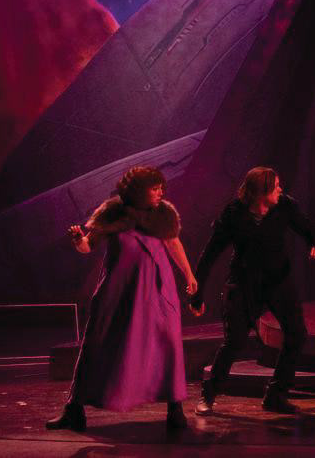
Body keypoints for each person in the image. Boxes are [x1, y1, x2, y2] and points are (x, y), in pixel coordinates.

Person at [47, 166, 197, 432]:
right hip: (118, 292)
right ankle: (74, 409)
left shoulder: (162, 214)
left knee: (167, 344)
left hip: (156, 291)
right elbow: (87, 246)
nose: (161, 192)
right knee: (97, 343)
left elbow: (173, 243)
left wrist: (188, 274)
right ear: (138, 190)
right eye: (154, 188)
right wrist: (78, 240)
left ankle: (175, 409)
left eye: (161, 187)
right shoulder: (113, 212)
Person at [189, 167, 315, 414]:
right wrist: (197, 293)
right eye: (276, 186)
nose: (280, 190)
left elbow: (307, 227)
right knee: (235, 341)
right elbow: (210, 253)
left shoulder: (284, 206)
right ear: (262, 193)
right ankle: (209, 394)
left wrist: (314, 244)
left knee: (296, 334)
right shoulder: (234, 214)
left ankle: (276, 395)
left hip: (278, 280)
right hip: (244, 282)